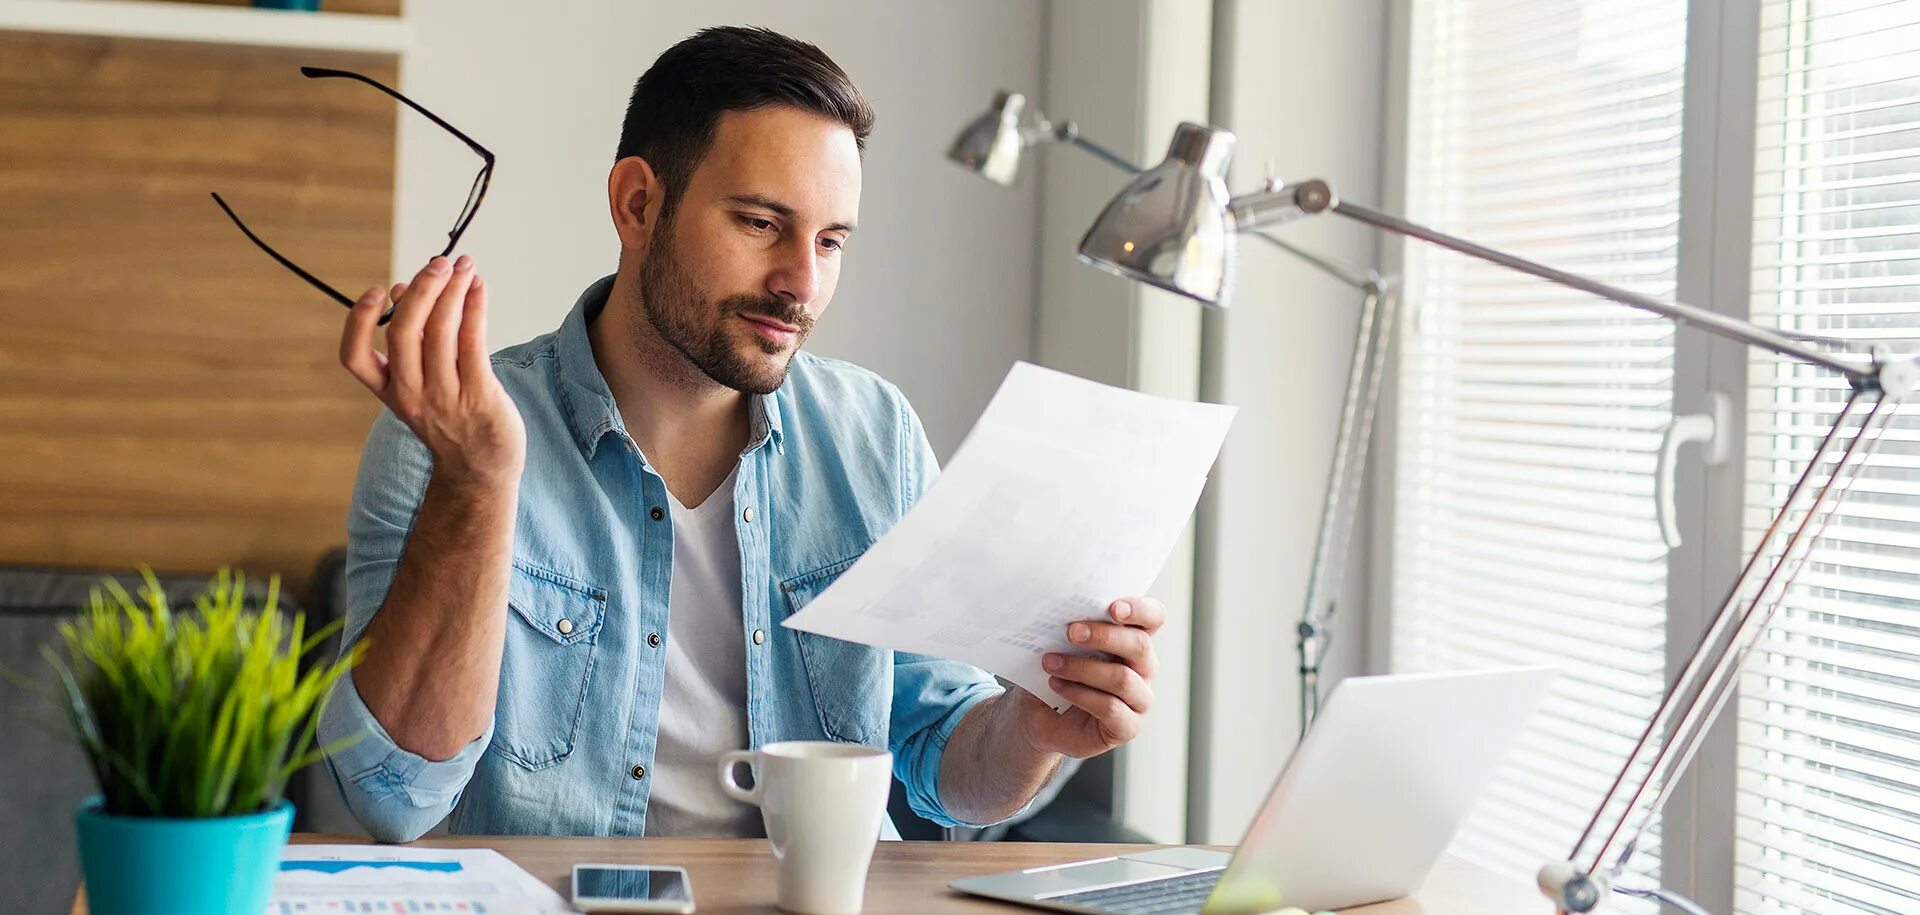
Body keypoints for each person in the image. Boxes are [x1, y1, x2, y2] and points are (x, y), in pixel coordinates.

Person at [317, 25, 1165, 844]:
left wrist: (1038, 726)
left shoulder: (875, 435)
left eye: (830, 241)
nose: (803, 281)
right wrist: (479, 481)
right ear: (638, 203)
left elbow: (950, 767)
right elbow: (395, 796)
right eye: (761, 223)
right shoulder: (454, 431)